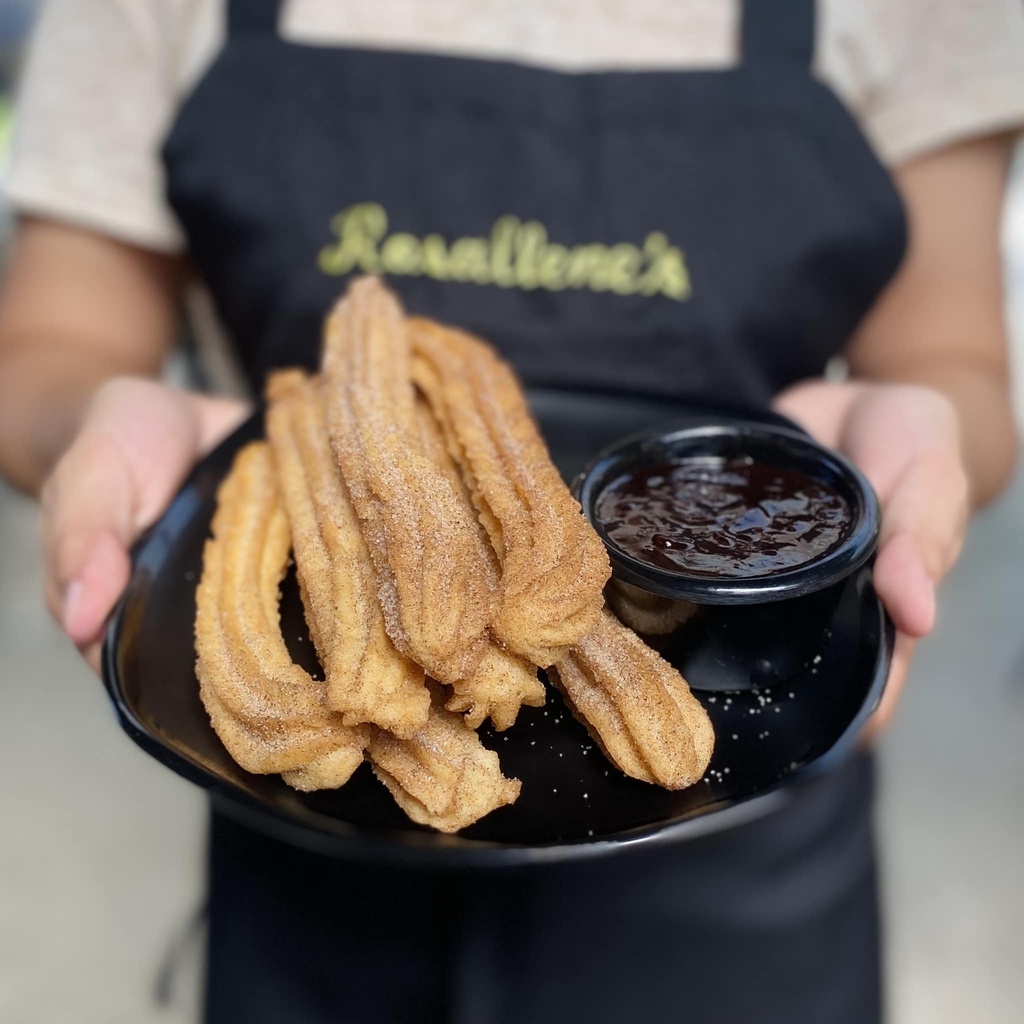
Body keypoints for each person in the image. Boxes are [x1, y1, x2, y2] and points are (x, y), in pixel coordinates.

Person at [0, 1, 1021, 1021]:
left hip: (746, 844)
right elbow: (49, 345)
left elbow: (954, 360)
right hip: (306, 873)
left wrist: (920, 432)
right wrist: (94, 421)